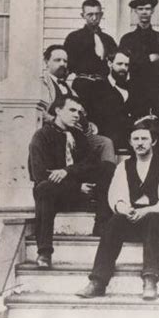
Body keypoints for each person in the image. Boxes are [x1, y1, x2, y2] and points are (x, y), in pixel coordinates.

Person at [76, 118, 159, 300]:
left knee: (156, 219)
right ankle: (98, 281)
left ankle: (150, 279)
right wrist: (125, 210)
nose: (140, 143)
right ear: (131, 142)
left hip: (157, 216)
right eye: (136, 139)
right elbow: (117, 196)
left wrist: (146, 211)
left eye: (144, 139)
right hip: (132, 216)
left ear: (153, 141)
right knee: (114, 221)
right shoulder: (124, 166)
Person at [28, 96, 114, 267]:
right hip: (57, 195)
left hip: (80, 193)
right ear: (58, 111)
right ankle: (44, 252)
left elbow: (90, 163)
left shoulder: (77, 134)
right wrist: (77, 187)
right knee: (43, 188)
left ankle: (101, 224)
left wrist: (66, 171)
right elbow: (39, 174)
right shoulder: (42, 136)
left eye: (79, 112)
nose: (77, 115)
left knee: (107, 168)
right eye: (72, 110)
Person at [41, 45, 116, 235]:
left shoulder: (68, 85)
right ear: (46, 62)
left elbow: (79, 111)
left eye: (65, 61)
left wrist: (88, 123)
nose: (62, 64)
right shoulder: (41, 84)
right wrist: (58, 120)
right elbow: (41, 112)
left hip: (77, 133)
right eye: (57, 60)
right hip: (55, 132)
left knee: (104, 142)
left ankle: (105, 191)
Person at [80, 48, 154, 150]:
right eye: (119, 64)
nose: (123, 68)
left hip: (135, 140)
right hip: (109, 141)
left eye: (126, 65)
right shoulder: (97, 88)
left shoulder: (136, 88)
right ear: (110, 64)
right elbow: (94, 118)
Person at [119, 0, 159, 114]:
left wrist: (138, 61)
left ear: (152, 11)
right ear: (135, 11)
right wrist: (149, 59)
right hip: (134, 91)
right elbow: (124, 64)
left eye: (147, 9)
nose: (144, 12)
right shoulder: (127, 39)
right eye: (140, 9)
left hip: (157, 92)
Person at [64, 0, 117, 91]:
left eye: (97, 14)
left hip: (104, 87)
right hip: (82, 86)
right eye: (90, 14)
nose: (94, 18)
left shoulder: (108, 40)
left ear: (101, 15)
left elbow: (117, 65)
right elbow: (66, 66)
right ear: (83, 15)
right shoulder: (74, 38)